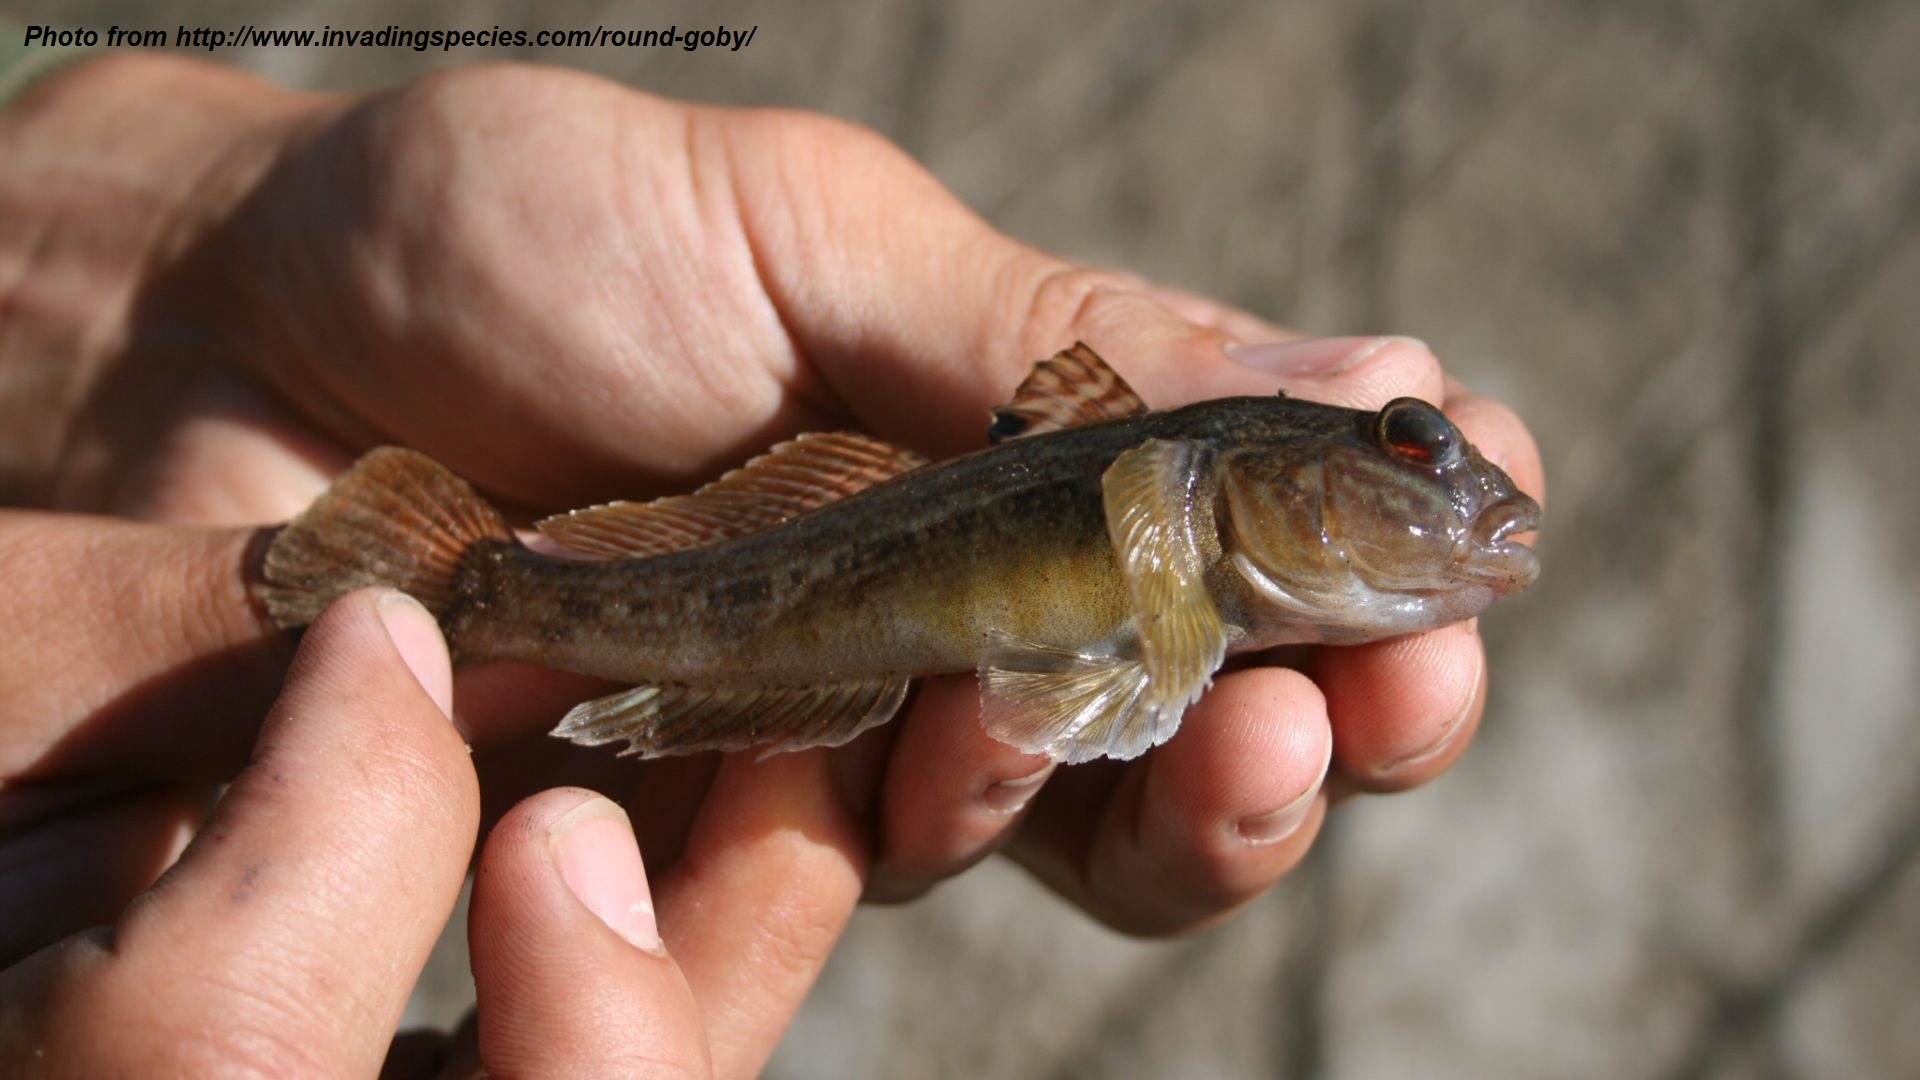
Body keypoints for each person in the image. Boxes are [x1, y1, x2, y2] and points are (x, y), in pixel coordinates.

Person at [0, 53, 1544, 1076]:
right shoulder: (1173, 481)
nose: (1464, 501)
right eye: (1409, 456)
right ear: (1270, 467)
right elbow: (1114, 510)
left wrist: (180, 246)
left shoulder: (1198, 522)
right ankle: (472, 594)